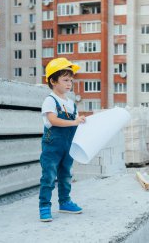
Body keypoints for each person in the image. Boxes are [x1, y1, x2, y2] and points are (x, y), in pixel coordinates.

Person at [39, 57, 86, 222]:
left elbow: (76, 121)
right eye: (65, 80)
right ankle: (44, 206)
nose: (69, 84)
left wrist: (81, 121)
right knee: (49, 176)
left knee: (66, 174)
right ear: (53, 81)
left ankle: (65, 202)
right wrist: (74, 121)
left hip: (68, 146)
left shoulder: (71, 103)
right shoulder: (50, 100)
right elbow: (53, 120)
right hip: (52, 147)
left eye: (71, 80)